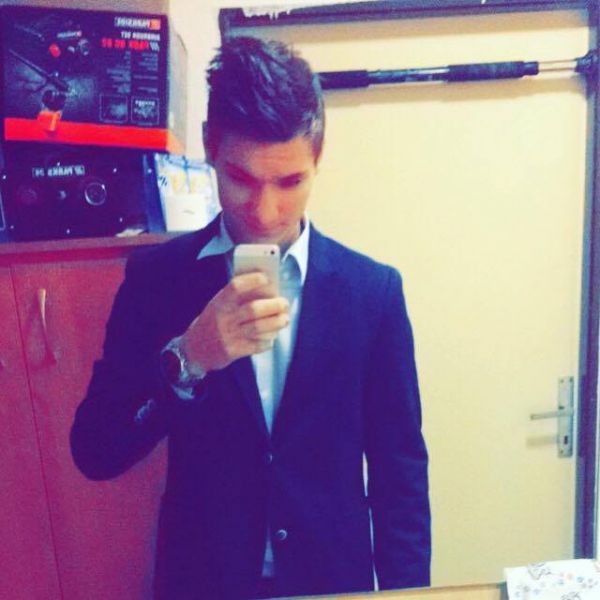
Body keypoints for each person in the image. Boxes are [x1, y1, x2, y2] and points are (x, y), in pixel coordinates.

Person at [70, 36, 431, 600]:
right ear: (210, 147)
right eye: (241, 179)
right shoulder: (155, 280)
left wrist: (410, 594)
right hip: (202, 583)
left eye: (290, 182)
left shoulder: (372, 294)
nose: (265, 212)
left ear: (318, 158)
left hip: (331, 583)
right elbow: (96, 450)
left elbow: (399, 472)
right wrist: (189, 357)